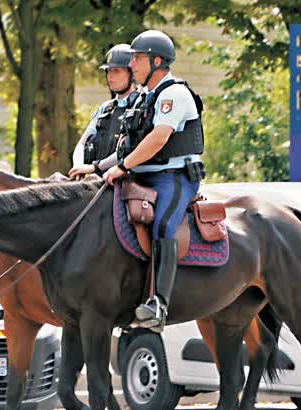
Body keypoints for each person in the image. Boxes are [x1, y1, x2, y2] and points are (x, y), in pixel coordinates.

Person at [101, 29, 205, 333]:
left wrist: (122, 166)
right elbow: (128, 146)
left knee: (162, 224)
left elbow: (158, 140)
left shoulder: (174, 94)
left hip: (174, 179)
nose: (132, 64)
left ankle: (159, 303)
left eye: (137, 58)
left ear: (157, 61)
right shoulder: (145, 98)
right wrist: (95, 167)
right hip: (141, 176)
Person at [68, 44, 137, 179]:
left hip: (125, 180)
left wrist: (94, 167)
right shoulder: (105, 108)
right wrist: (78, 166)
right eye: (108, 71)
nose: (110, 76)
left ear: (132, 74)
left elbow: (127, 150)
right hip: (97, 179)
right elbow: (82, 143)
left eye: (116, 71)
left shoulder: (141, 105)